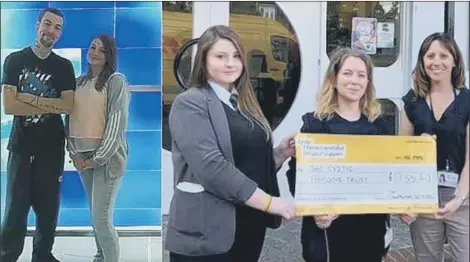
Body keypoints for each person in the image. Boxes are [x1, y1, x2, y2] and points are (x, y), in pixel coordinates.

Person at [165, 25, 297, 262]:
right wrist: (269, 202)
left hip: (248, 226)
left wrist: (279, 154)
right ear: (203, 60)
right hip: (206, 235)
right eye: (220, 56)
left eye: (236, 56)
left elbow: (247, 161)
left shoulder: (244, 102)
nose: (231, 63)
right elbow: (212, 167)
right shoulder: (190, 103)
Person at [286, 47, 396, 262]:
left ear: (368, 83)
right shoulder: (315, 124)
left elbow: (391, 175)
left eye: (361, 75)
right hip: (327, 229)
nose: (354, 80)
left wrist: (406, 205)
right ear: (334, 78)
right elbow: (296, 175)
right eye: (347, 73)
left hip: (369, 228)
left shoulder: (381, 127)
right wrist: (315, 210)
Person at [0, 7, 76, 262]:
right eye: (47, 24)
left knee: (47, 209)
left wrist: (29, 98)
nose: (51, 31)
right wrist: (48, 103)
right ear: (37, 25)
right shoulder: (14, 60)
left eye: (57, 27)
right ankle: (7, 254)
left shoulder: (63, 67)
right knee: (15, 208)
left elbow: (67, 106)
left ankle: (43, 255)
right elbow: (10, 106)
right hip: (21, 146)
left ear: (60, 33)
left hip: (52, 148)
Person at [400, 32, 469, 262]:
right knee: (427, 258)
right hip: (423, 196)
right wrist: (405, 200)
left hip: (462, 195)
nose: (436, 61)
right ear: (422, 61)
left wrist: (459, 199)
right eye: (430, 56)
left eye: (443, 55)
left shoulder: (467, 102)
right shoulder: (412, 103)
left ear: (455, 61)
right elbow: (403, 156)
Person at [65, 35, 130, 262]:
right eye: (92, 47)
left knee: (102, 219)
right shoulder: (78, 82)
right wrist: (73, 153)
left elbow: (116, 122)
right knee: (95, 217)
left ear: (109, 55)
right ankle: (101, 256)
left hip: (107, 159)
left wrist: (97, 158)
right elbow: (69, 119)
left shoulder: (115, 81)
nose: (94, 52)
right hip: (82, 157)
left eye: (101, 50)